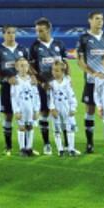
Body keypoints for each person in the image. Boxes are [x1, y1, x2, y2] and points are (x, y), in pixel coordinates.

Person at [76, 11, 104, 154]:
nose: (100, 21)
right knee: (90, 111)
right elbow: (80, 61)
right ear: (90, 21)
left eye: (102, 19)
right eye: (97, 19)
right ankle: (90, 143)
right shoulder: (84, 38)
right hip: (92, 81)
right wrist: (92, 73)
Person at [29, 17, 68, 156]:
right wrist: (41, 82)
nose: (38, 33)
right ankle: (46, 144)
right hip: (44, 85)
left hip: (60, 85)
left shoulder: (59, 44)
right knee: (44, 113)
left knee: (63, 113)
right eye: (37, 31)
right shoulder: (34, 46)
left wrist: (67, 79)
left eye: (41, 31)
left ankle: (67, 145)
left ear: (48, 30)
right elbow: (31, 67)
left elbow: (65, 63)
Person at [0, 25, 25, 156]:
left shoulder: (22, 49)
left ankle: (24, 146)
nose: (11, 35)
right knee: (8, 115)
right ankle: (8, 146)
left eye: (13, 33)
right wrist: (5, 78)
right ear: (3, 34)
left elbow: (28, 67)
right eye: (8, 33)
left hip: (21, 88)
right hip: (6, 87)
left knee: (21, 115)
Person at [10, 58, 41, 157]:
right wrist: (16, 111)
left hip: (31, 108)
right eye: (21, 65)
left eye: (26, 65)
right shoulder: (15, 81)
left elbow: (36, 95)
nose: (24, 68)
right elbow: (13, 98)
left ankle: (29, 148)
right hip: (21, 109)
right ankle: (22, 149)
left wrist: (36, 110)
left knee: (30, 126)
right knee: (22, 127)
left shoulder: (31, 80)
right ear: (17, 67)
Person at [47, 60, 79, 157]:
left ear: (62, 71)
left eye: (57, 70)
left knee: (70, 128)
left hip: (67, 108)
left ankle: (71, 149)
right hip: (56, 109)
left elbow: (71, 96)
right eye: (53, 70)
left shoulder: (67, 82)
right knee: (57, 130)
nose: (54, 72)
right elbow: (50, 97)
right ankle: (60, 149)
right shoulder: (51, 84)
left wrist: (73, 108)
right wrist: (52, 109)